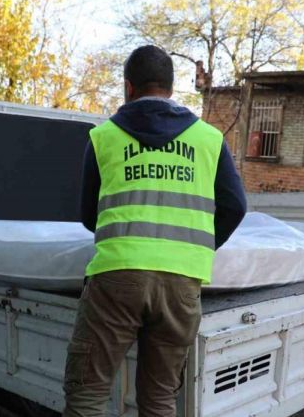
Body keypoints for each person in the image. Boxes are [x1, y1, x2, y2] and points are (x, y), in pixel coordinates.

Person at [63, 45, 247, 416]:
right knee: (160, 398)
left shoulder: (104, 137)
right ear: (171, 87)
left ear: (129, 87)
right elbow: (235, 206)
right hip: (182, 283)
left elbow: (88, 214)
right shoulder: (209, 139)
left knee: (87, 395)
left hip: (117, 276)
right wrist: (195, 246)